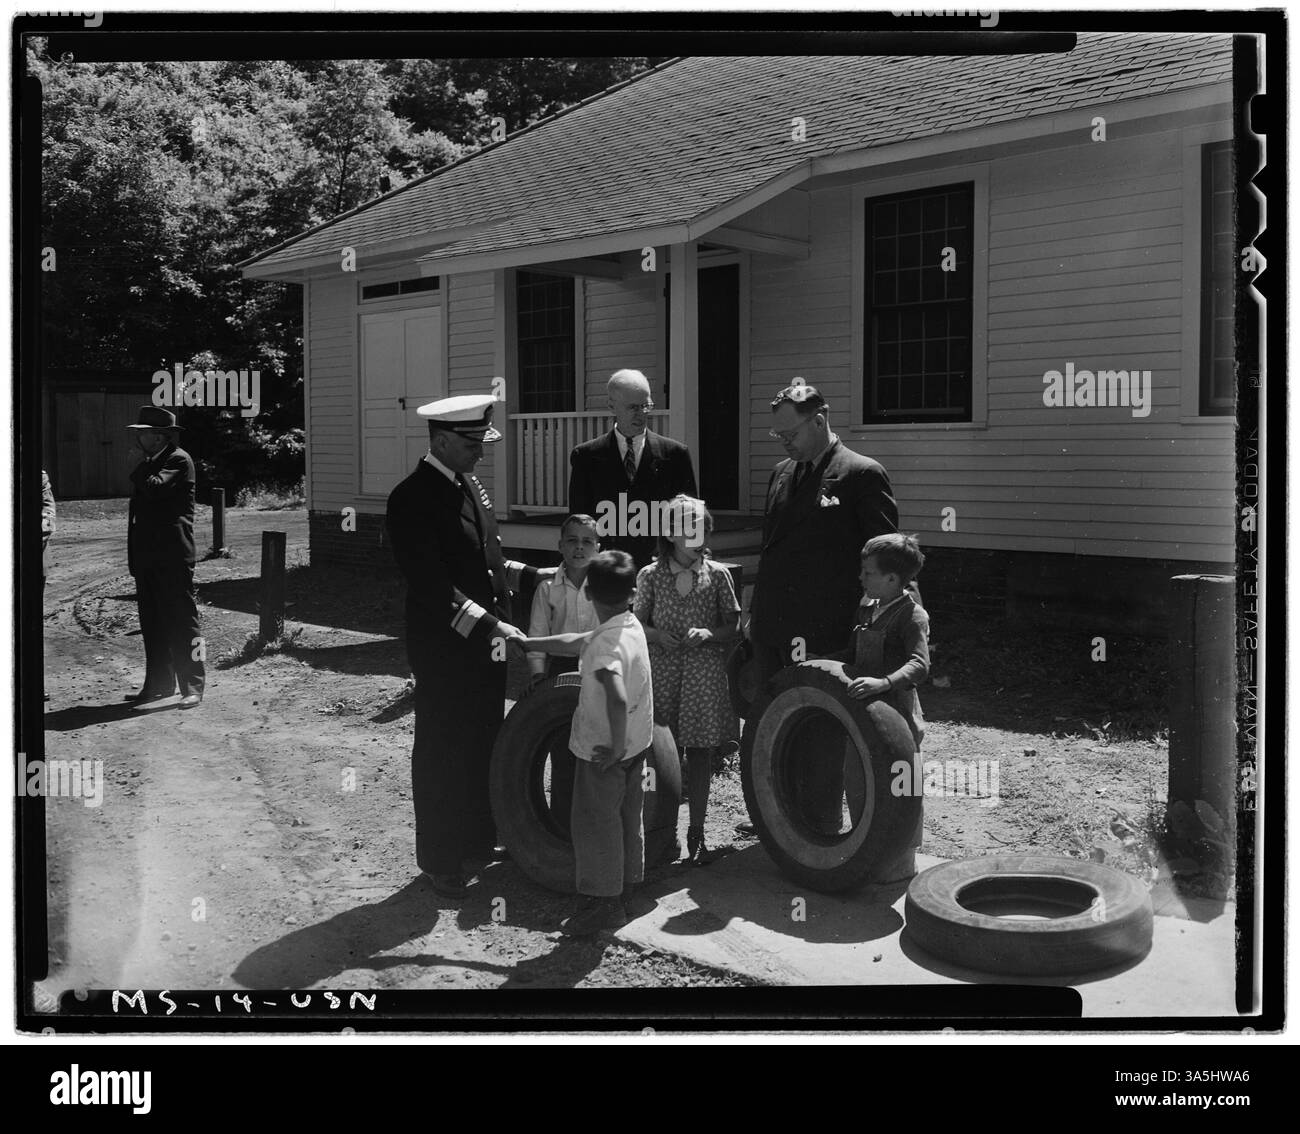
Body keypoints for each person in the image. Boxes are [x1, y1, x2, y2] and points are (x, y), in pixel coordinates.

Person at [385, 393, 551, 900]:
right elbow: (432, 584)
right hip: (445, 646)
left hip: (485, 645)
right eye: (472, 442)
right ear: (441, 440)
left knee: (484, 738)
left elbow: (485, 561)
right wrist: (492, 627)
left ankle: (479, 838)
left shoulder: (469, 485)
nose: (481, 451)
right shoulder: (411, 497)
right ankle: (440, 856)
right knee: (442, 749)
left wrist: (533, 576)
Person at [746, 380, 901, 834]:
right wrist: (754, 611)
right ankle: (782, 825)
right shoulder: (779, 473)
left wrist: (879, 628)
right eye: (777, 436)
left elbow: (886, 560)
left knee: (822, 734)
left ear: (820, 419)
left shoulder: (861, 474)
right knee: (775, 727)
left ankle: (822, 832)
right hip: (774, 627)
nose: (784, 443)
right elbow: (771, 551)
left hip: (826, 631)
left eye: (790, 434)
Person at [517, 550, 654, 935]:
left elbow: (616, 695)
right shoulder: (628, 625)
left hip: (604, 754)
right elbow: (578, 640)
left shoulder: (605, 647)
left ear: (589, 592)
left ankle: (602, 905)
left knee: (596, 826)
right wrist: (532, 643)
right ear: (632, 594)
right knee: (627, 818)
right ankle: (628, 891)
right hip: (636, 746)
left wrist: (611, 746)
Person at [633, 495, 740, 865]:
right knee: (661, 756)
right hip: (661, 674)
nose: (696, 533)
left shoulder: (718, 574)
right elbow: (634, 625)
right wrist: (657, 635)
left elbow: (734, 626)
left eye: (701, 525)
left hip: (701, 676)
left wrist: (709, 633)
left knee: (698, 754)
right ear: (671, 533)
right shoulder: (650, 575)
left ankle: (697, 833)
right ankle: (663, 836)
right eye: (686, 526)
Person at [820, 533, 930, 880]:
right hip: (861, 716)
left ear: (893, 579)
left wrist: (885, 682)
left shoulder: (912, 616)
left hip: (898, 713)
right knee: (858, 778)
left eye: (868, 573)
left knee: (902, 786)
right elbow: (852, 656)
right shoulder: (867, 607)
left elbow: (920, 664)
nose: (861, 578)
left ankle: (902, 862)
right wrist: (821, 663)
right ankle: (868, 855)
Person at [567, 368, 697, 570]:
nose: (642, 414)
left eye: (646, 406)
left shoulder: (675, 455)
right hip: (608, 574)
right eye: (633, 407)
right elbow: (579, 526)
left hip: (660, 574)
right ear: (612, 406)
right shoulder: (586, 457)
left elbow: (690, 522)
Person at [524, 513, 603, 832]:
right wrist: (537, 674)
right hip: (560, 671)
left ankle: (595, 826)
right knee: (564, 748)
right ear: (560, 546)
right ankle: (561, 827)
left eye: (587, 541)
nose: (579, 548)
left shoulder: (606, 584)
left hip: (599, 671)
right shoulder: (547, 588)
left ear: (598, 547)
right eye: (572, 540)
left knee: (596, 750)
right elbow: (537, 632)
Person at [124, 406, 205, 710]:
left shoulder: (178, 459)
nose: (136, 438)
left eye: (142, 432)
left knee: (183, 622)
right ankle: (158, 684)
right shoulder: (151, 461)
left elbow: (155, 489)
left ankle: (193, 686)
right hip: (147, 558)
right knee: (153, 623)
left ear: (158, 437)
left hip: (172, 556)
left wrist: (136, 468)